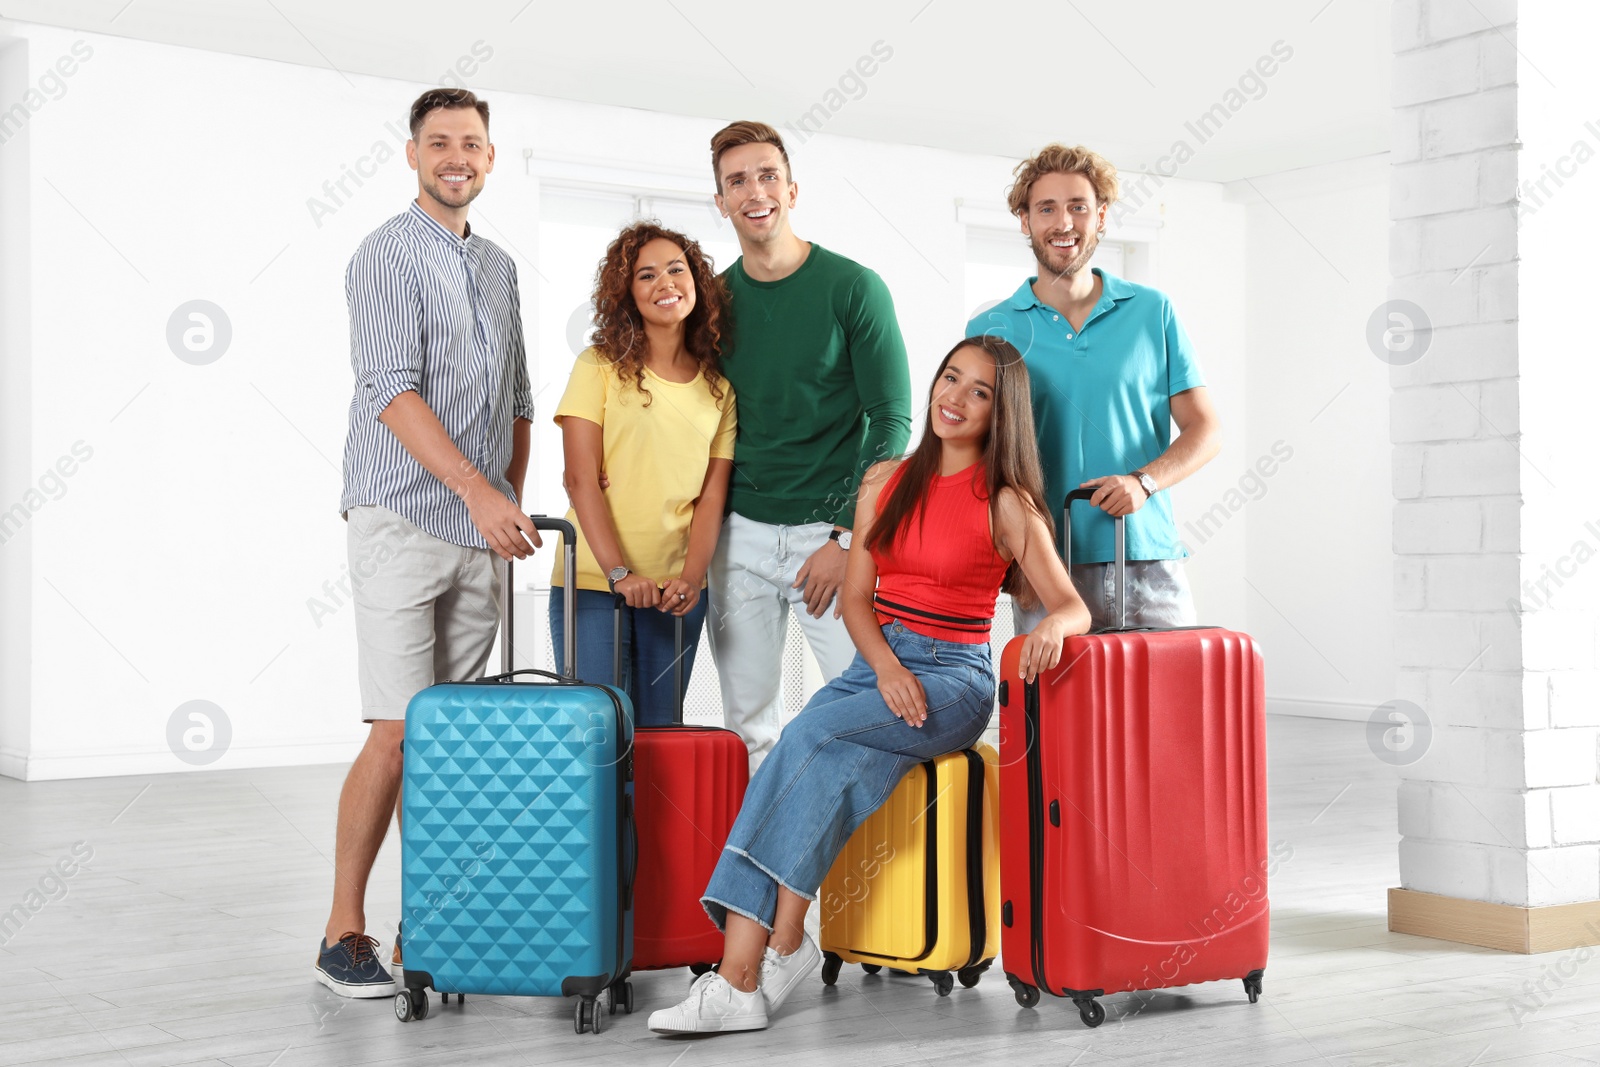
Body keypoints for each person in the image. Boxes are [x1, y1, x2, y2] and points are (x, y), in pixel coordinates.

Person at [648, 336, 1092, 1034]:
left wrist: (1047, 631)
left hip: (954, 678)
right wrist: (884, 668)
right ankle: (784, 942)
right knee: (831, 759)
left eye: (979, 390)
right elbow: (856, 600)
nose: (956, 397)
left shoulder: (1007, 504)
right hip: (878, 663)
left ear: (999, 411)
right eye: (951, 378)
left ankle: (740, 974)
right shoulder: (885, 480)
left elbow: (1072, 605)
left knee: (807, 733)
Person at [318, 88, 539, 999]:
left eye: (473, 144)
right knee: (400, 731)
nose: (458, 156)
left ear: (491, 159)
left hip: (480, 532)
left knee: (451, 742)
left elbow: (519, 400)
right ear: (412, 154)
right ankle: (343, 933)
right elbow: (391, 388)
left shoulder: (498, 266)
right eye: (441, 142)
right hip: (402, 516)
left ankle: (434, 922)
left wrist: (508, 500)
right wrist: (478, 489)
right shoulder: (383, 255)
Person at [704, 120, 913, 770]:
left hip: (832, 536)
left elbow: (893, 420)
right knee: (749, 727)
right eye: (737, 180)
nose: (754, 191)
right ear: (721, 202)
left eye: (767, 175)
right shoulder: (710, 302)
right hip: (739, 540)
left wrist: (848, 539)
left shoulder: (854, 288)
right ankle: (776, 872)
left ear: (792, 189)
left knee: (870, 709)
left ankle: (866, 872)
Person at [967, 144, 1221, 632]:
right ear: (1025, 221)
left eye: (1078, 207)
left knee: (1168, 705)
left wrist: (1144, 482)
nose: (1063, 222)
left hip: (1147, 556)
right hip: (1045, 563)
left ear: (1100, 216)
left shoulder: (1152, 311)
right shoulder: (990, 329)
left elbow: (1205, 430)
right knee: (1060, 709)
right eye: (1046, 208)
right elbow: (972, 449)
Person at [550, 222, 736, 721]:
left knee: (659, 738)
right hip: (592, 580)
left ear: (697, 280)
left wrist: (692, 579)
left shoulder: (719, 390)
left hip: (674, 592)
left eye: (677, 269)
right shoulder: (598, 366)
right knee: (596, 733)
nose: (665, 283)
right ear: (627, 294)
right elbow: (579, 477)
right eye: (646, 275)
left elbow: (711, 498)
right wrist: (618, 572)